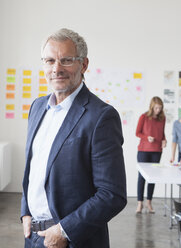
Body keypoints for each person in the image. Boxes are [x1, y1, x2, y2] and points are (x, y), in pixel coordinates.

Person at [20, 28, 127, 248]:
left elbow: (112, 194)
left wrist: (64, 231)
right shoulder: (37, 107)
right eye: (49, 61)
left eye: (66, 60)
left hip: (72, 240)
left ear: (84, 64)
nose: (56, 69)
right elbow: (34, 169)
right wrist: (25, 213)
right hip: (33, 235)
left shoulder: (101, 116)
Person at [135, 97, 167, 214]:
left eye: (160, 108)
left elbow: (162, 133)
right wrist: (146, 137)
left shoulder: (162, 119)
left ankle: (149, 202)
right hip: (143, 150)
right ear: (152, 106)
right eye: (156, 108)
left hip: (157, 151)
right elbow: (137, 133)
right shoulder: (144, 117)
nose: (158, 110)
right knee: (141, 177)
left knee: (152, 178)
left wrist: (164, 140)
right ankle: (140, 203)